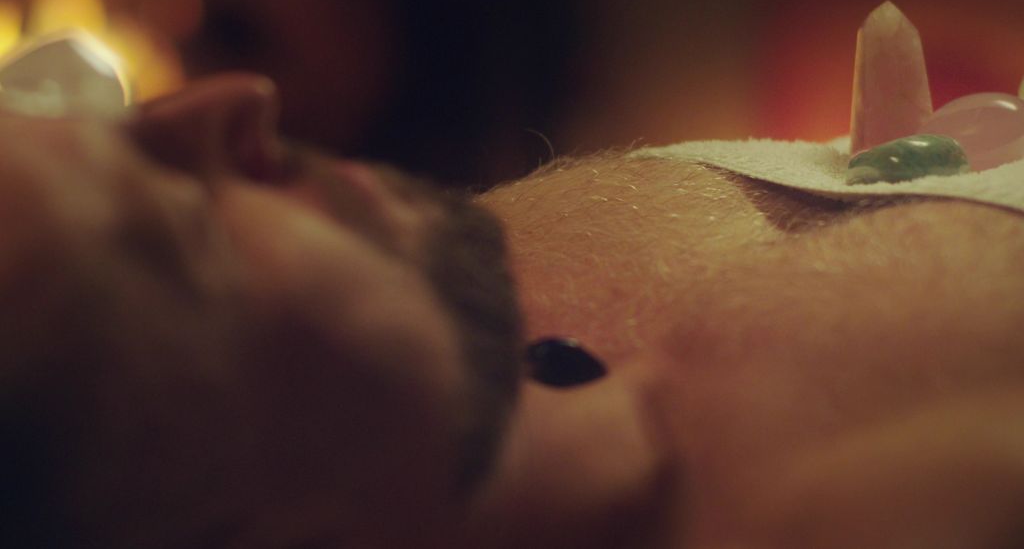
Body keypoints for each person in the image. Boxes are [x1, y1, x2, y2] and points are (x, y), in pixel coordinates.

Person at [2, 74, 1023, 548]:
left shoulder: (461, 285)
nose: (237, 100)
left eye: (125, 126)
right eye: (179, 224)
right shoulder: (922, 498)